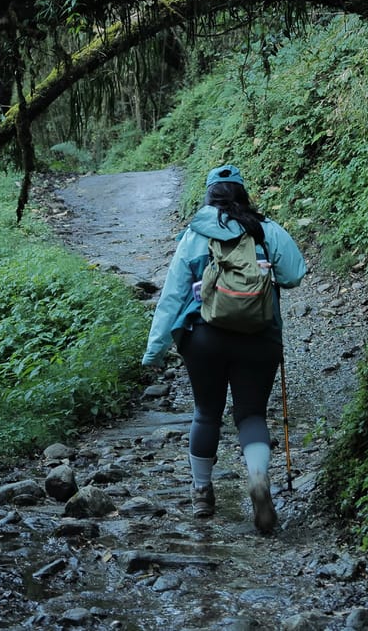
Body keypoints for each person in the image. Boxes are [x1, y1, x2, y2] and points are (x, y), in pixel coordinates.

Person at [142, 164, 307, 533]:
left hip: (203, 336)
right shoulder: (267, 230)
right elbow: (294, 275)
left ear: (209, 196)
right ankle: (260, 481)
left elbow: (172, 296)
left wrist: (155, 350)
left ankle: (202, 493)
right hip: (259, 336)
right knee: (251, 415)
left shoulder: (194, 235)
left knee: (206, 413)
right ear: (242, 194)